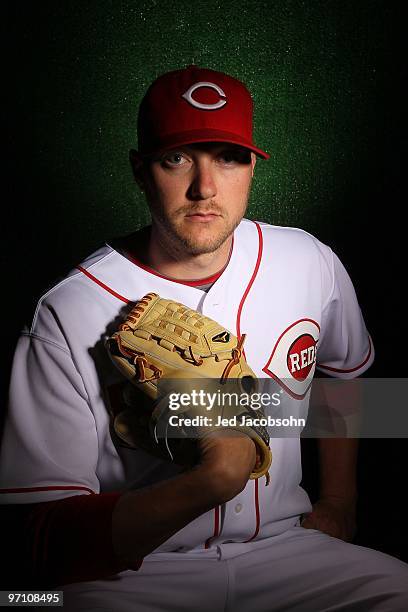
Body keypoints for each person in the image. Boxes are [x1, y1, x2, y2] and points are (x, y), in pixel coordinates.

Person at [1, 65, 407, 610]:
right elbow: (37, 536)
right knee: (23, 603)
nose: (204, 187)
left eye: (228, 157)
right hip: (133, 574)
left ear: (251, 170)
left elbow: (350, 382)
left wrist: (339, 499)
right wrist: (214, 477)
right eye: (177, 158)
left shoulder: (309, 260)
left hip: (287, 554)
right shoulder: (69, 309)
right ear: (141, 171)